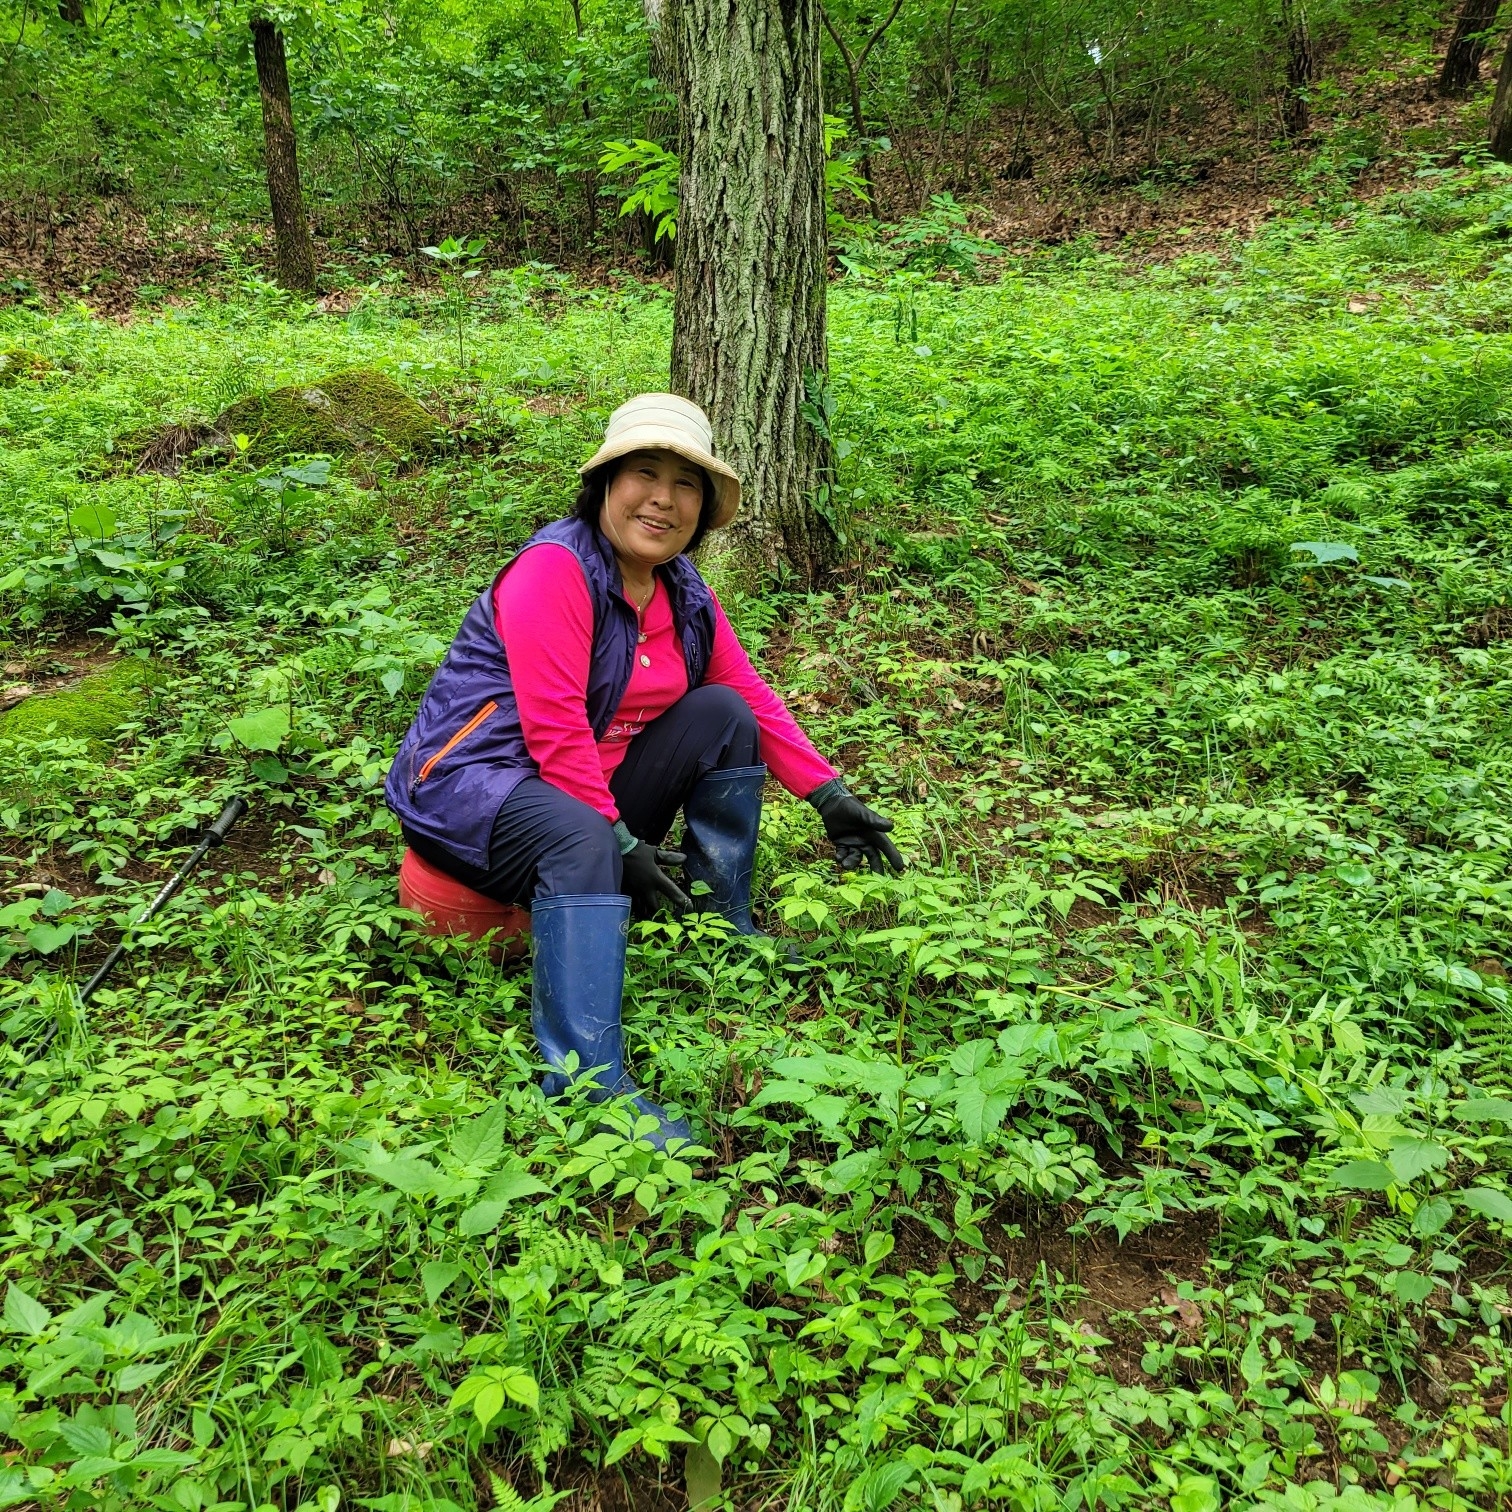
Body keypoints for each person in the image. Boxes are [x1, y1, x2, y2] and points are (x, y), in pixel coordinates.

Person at [386, 393, 903, 1148]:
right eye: (645, 474)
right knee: (580, 834)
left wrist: (829, 795)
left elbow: (750, 695)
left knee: (721, 712)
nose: (663, 498)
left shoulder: (684, 592)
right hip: (473, 793)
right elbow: (555, 729)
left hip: (576, 795)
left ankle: (719, 928)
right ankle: (585, 1081)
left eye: (686, 483)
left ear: (704, 508)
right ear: (606, 483)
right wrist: (619, 842)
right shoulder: (554, 570)